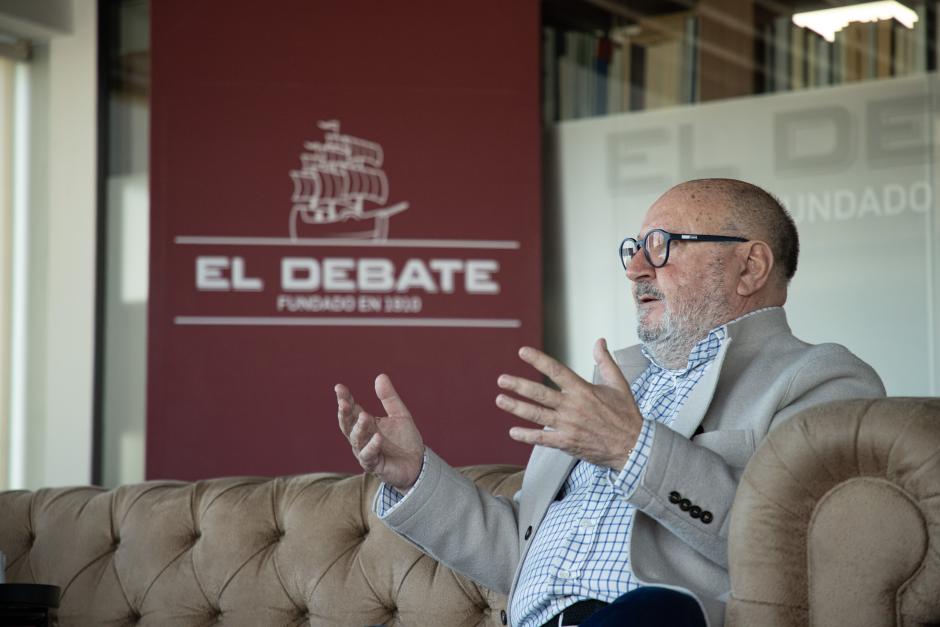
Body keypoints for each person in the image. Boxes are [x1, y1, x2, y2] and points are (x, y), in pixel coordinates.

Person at [335, 178, 885, 627]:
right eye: (634, 249)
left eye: (662, 247)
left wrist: (632, 448)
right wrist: (413, 477)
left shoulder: (820, 378)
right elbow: (515, 555)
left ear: (750, 267)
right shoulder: (611, 384)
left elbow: (806, 548)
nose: (635, 269)